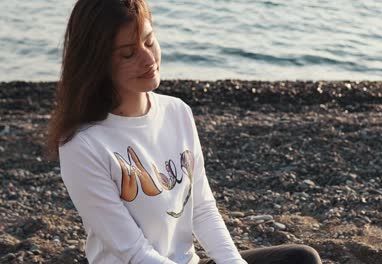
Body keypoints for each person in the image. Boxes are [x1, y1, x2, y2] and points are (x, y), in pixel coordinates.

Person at [47, 0, 322, 263]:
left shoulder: (177, 112)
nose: (148, 59)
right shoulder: (83, 145)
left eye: (150, 41)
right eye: (128, 53)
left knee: (300, 258)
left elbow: (202, 208)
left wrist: (233, 261)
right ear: (97, 63)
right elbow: (132, 252)